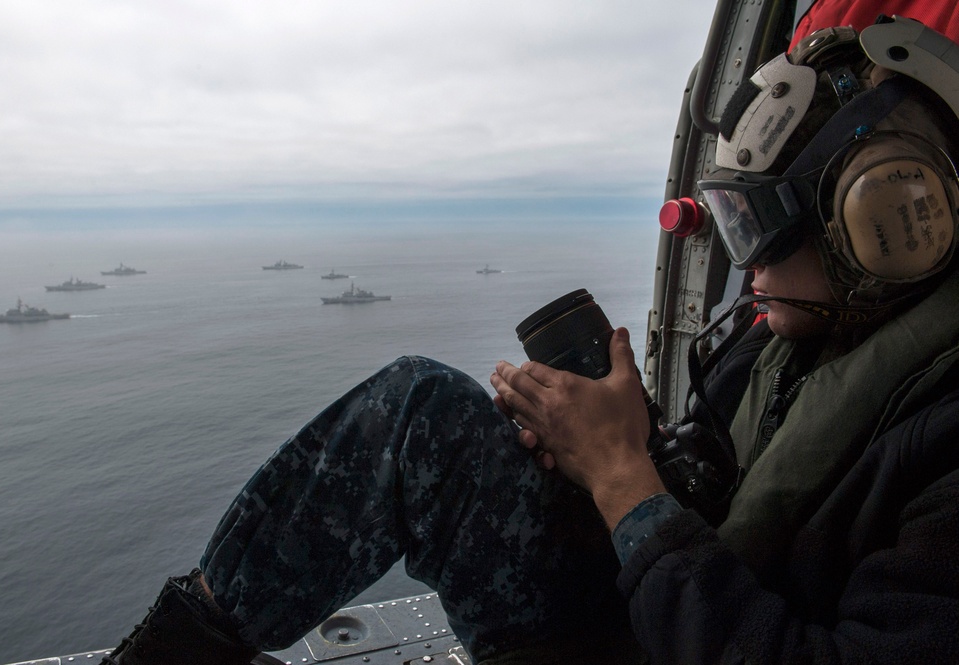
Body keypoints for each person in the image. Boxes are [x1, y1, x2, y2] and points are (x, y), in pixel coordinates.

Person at [102, 14, 959, 665]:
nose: (749, 266)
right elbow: (726, 487)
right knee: (420, 409)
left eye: (764, 227)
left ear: (884, 218)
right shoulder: (790, 340)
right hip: (658, 608)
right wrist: (615, 447)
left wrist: (625, 482)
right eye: (733, 223)